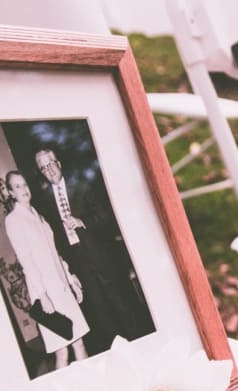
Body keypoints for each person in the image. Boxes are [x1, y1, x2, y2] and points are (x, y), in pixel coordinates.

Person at [32, 148, 154, 355]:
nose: (49, 170)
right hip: (77, 261)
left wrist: (82, 222)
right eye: (43, 167)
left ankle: (142, 347)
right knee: (99, 311)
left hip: (101, 255)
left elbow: (106, 217)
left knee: (121, 302)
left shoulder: (82, 185)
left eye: (51, 164)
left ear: (59, 163)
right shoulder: (43, 201)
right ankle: (117, 354)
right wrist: (68, 271)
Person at [4, 170, 89, 370]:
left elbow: (54, 252)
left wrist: (70, 276)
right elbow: (26, 261)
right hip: (47, 294)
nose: (23, 189)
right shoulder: (14, 220)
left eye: (24, 184)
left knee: (79, 341)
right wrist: (42, 296)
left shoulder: (37, 215)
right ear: (10, 193)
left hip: (61, 287)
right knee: (62, 351)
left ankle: (92, 386)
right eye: (17, 186)